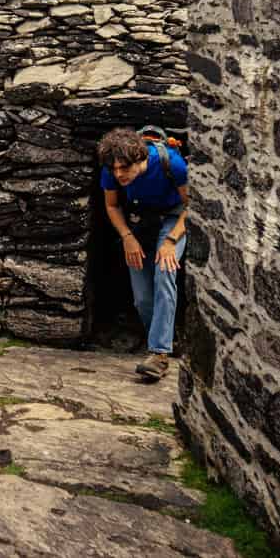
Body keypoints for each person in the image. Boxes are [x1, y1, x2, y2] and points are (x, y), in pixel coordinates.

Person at [98, 128, 189, 383]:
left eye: (124, 168)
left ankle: (159, 355)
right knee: (142, 298)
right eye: (114, 169)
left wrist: (171, 241)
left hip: (174, 218)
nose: (118, 174)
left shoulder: (173, 164)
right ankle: (165, 340)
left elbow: (192, 204)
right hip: (140, 221)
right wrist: (127, 237)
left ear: (141, 159)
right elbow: (112, 205)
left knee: (164, 273)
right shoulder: (111, 169)